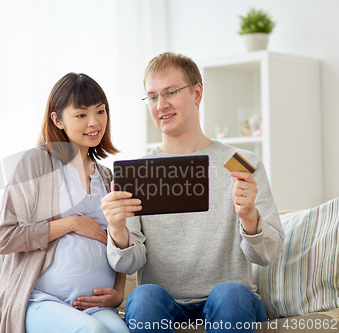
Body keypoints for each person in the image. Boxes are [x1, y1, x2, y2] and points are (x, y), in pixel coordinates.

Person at [101, 52, 285, 333]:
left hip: (231, 303)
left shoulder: (240, 163)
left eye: (170, 92)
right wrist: (117, 230)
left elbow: (266, 255)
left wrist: (250, 217)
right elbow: (128, 264)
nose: (161, 105)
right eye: (152, 96)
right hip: (164, 303)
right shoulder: (138, 173)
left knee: (230, 294)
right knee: (143, 297)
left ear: (197, 93)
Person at [0, 72, 130, 333]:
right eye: (81, 115)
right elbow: (5, 237)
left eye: (100, 112)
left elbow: (118, 240)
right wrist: (72, 224)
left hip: (95, 307)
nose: (94, 122)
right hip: (40, 301)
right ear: (58, 119)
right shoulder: (36, 163)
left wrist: (118, 292)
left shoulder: (108, 176)